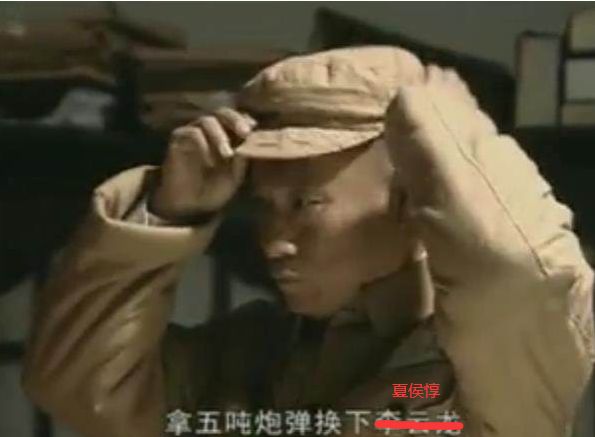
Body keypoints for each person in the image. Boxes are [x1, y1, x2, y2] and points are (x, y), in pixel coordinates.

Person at [22, 46, 594, 437]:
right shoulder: (247, 353)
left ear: (408, 200)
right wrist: (170, 212)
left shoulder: (492, 372)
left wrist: (443, 127)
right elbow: (78, 384)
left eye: (305, 205)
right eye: (263, 206)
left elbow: (519, 272)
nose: (274, 242)